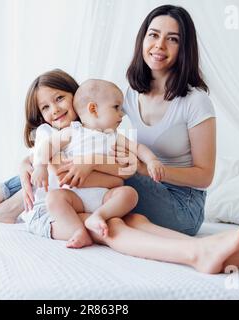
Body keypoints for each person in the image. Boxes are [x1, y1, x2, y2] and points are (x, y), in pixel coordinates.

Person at [0, 5, 239, 273]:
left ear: (184, 48)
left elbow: (203, 176)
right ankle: (207, 253)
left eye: (172, 39)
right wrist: (31, 162)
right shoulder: (124, 97)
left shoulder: (195, 101)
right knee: (115, 217)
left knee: (109, 172)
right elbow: (87, 141)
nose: (160, 45)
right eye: (153, 35)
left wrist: (145, 166)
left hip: (180, 205)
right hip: (130, 193)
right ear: (142, 40)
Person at [28, 79, 163, 248]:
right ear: (93, 108)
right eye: (116, 107)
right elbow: (47, 145)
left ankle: (98, 216)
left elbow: (138, 148)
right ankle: (78, 230)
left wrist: (152, 160)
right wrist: (40, 167)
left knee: (129, 194)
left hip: (104, 197)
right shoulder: (74, 132)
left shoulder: (114, 136)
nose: (122, 114)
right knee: (53, 198)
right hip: (75, 196)